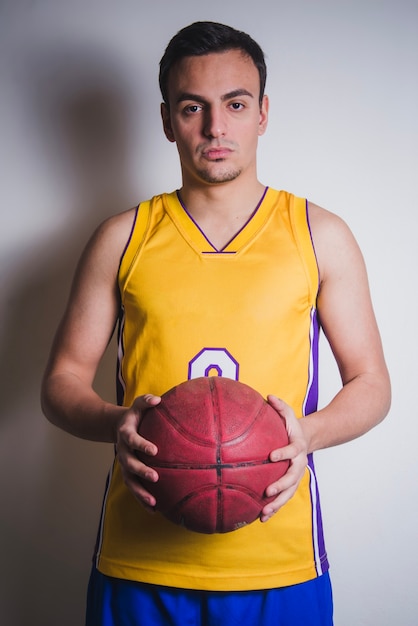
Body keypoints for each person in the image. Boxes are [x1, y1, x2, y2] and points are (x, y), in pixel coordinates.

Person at [41, 21, 391, 626]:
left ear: (262, 113)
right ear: (166, 119)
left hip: (278, 563)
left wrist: (308, 435)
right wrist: (117, 422)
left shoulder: (319, 235)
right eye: (192, 107)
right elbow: (62, 381)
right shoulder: (123, 238)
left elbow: (371, 384)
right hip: (139, 561)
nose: (215, 127)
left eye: (234, 104)